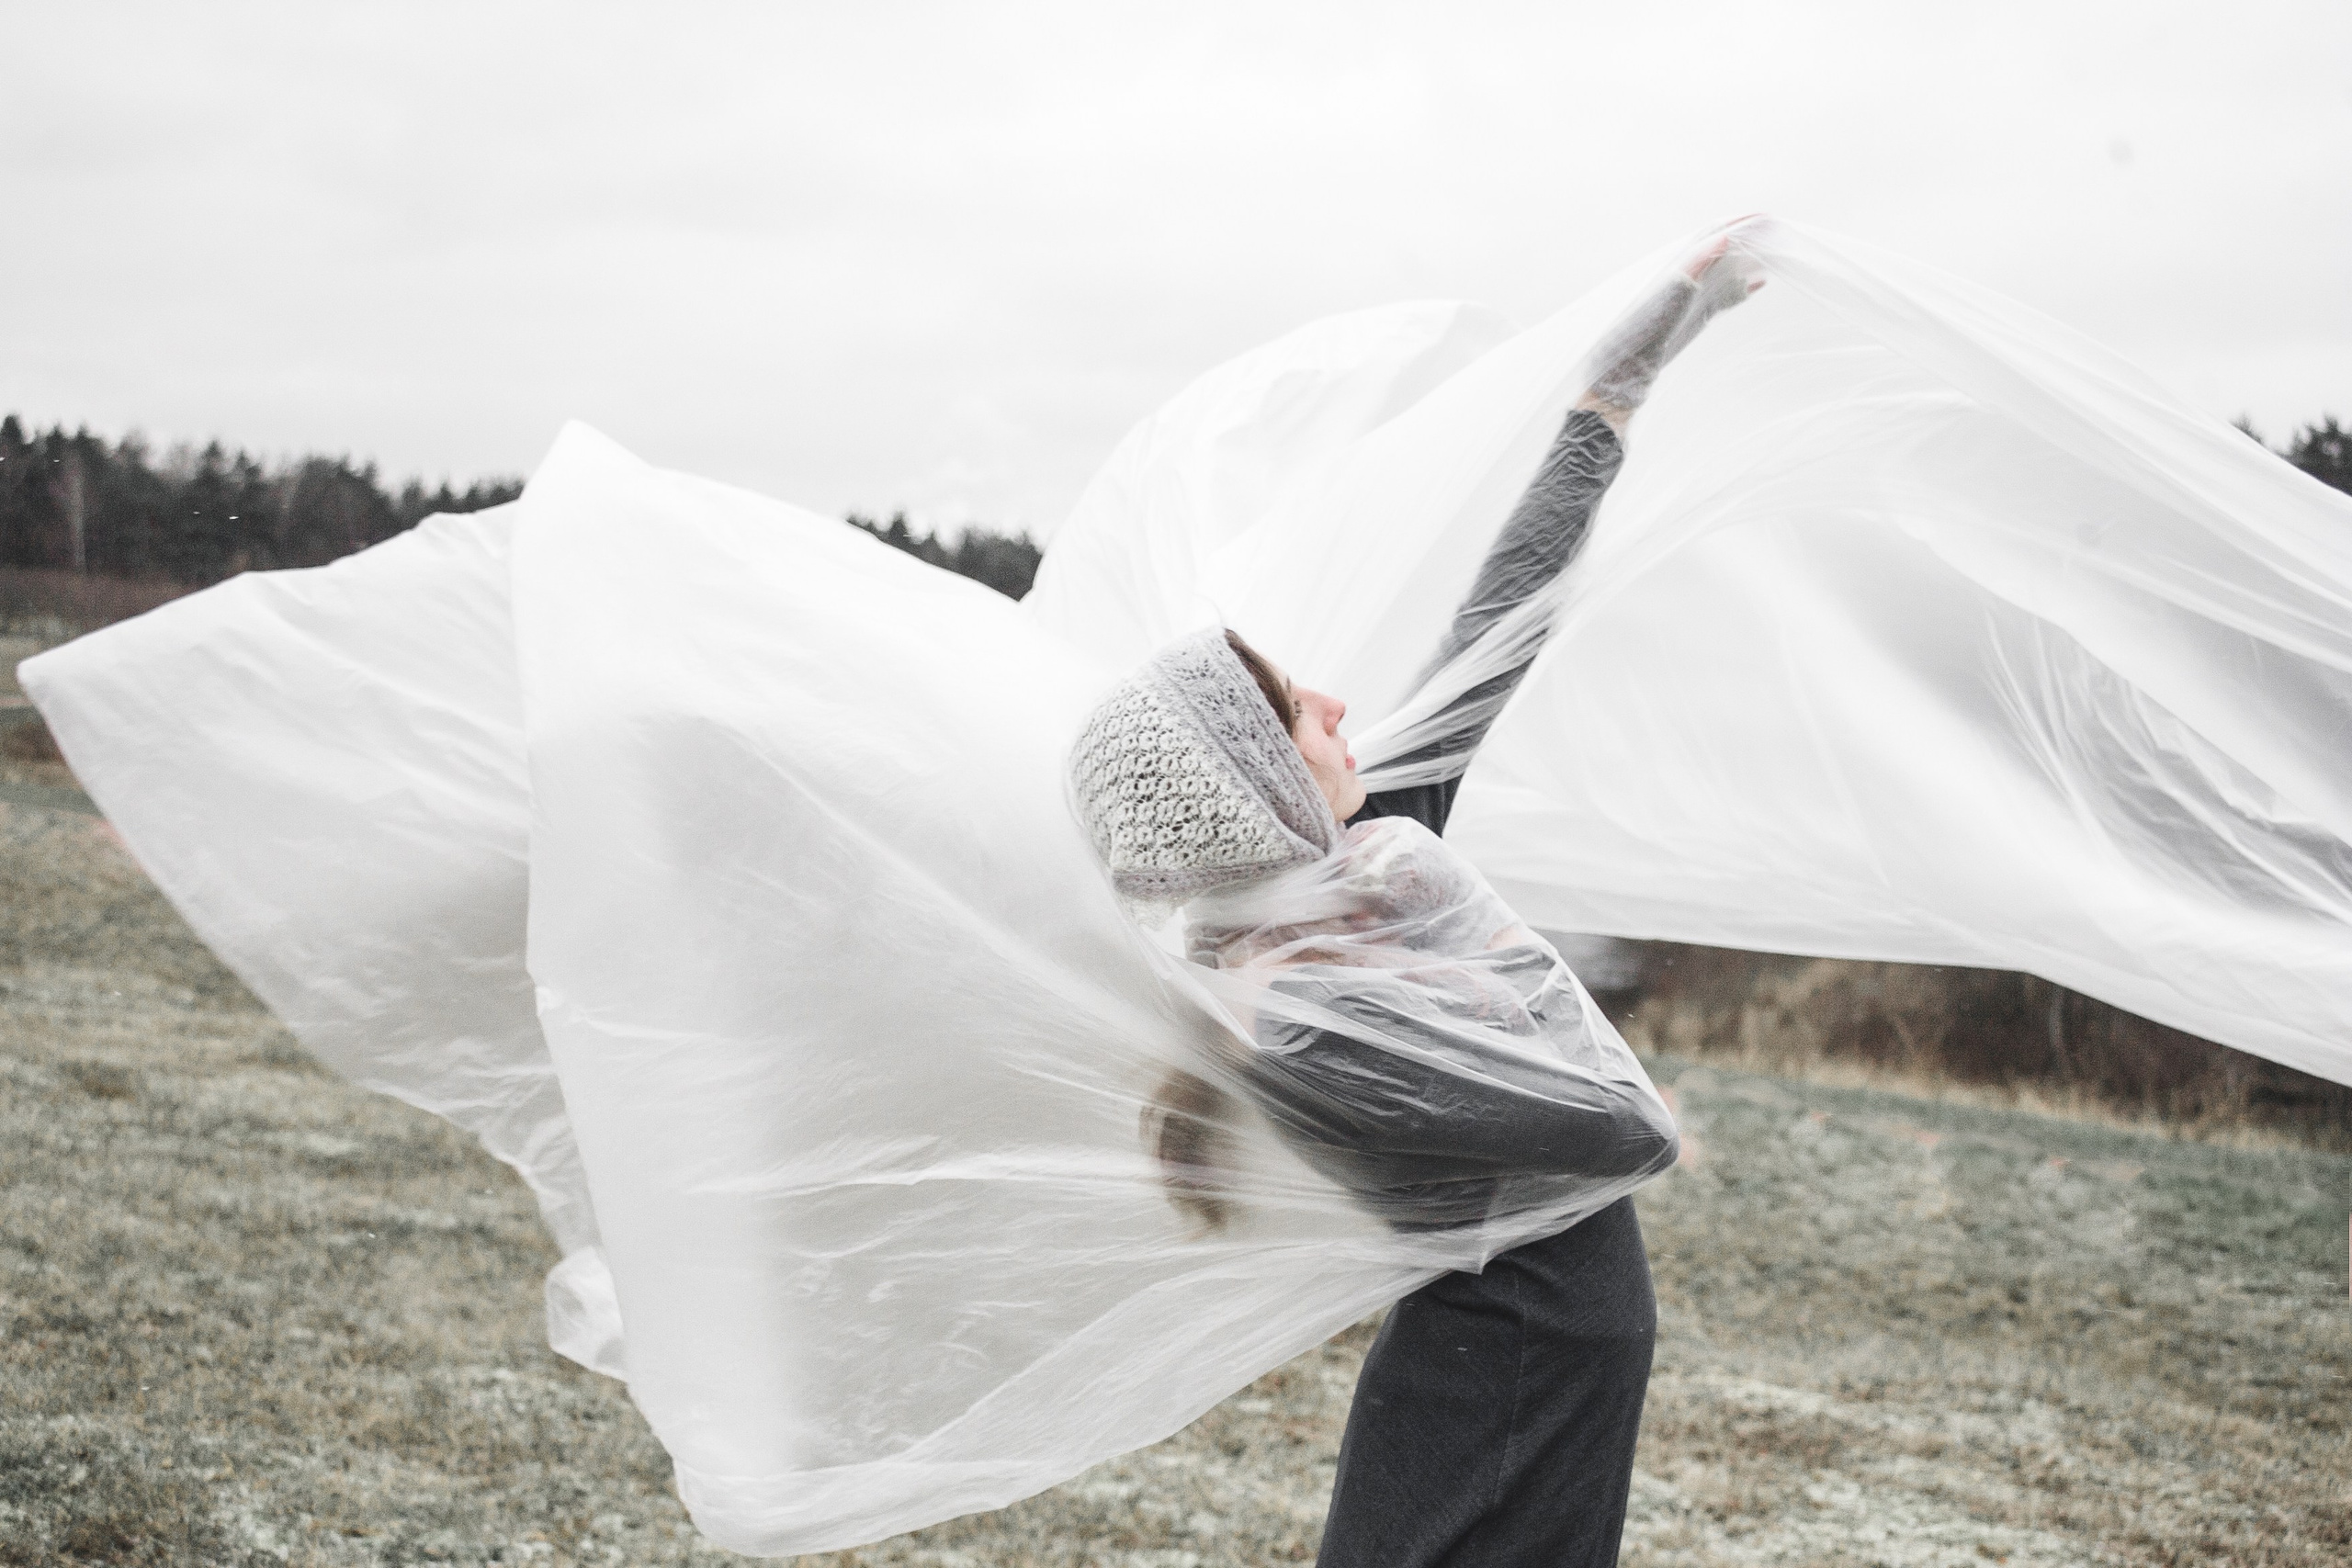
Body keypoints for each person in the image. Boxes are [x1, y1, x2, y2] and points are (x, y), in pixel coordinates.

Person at [1068, 226, 1763, 1567]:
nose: (1336, 703)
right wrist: (1612, 1081)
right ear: (1257, 790)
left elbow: (1497, 625)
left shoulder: (1369, 874)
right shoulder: (1306, 1019)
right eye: (1296, 712)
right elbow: (1620, 1131)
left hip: (1534, 1374)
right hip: (1498, 1397)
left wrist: (1610, 398)